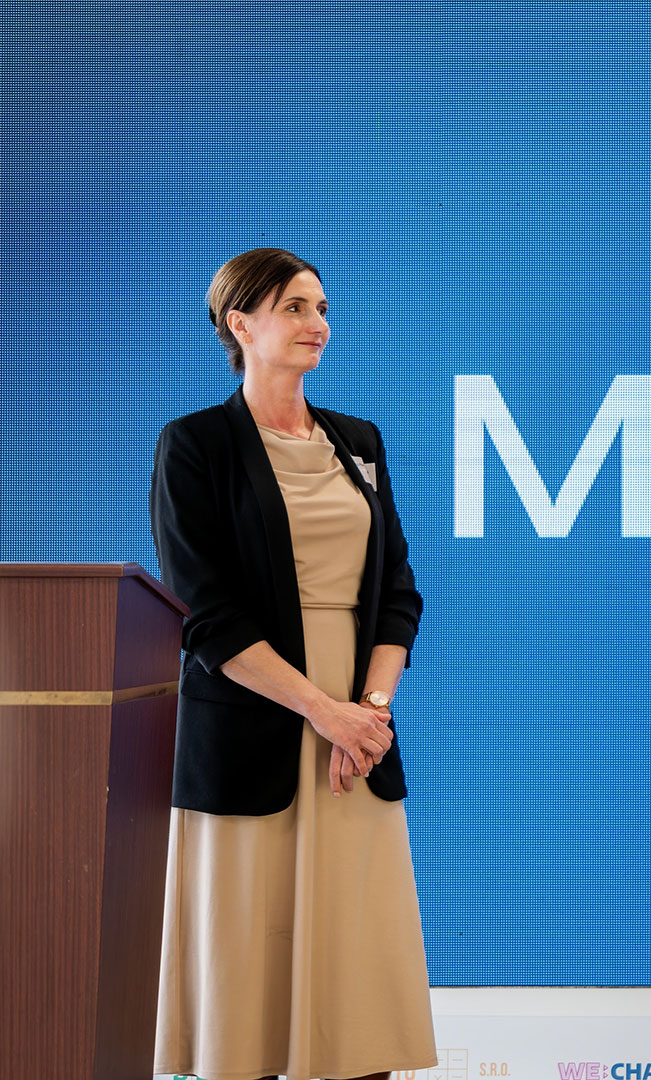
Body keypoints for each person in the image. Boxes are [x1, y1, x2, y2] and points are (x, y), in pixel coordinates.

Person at [149, 247, 437, 1080]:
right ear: (240, 325)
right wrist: (324, 711)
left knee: (356, 998)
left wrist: (368, 713)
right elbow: (206, 614)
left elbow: (397, 591)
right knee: (246, 998)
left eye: (322, 308)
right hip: (252, 733)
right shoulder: (196, 445)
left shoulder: (359, 441)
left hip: (356, 744)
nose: (318, 324)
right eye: (295, 308)